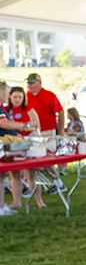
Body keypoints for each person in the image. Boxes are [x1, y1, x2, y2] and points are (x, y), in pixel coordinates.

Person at [7, 85, 45, 209]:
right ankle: (16, 201)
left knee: (31, 173)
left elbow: (37, 127)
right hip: (12, 145)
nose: (17, 100)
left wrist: (28, 135)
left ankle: (39, 201)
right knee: (14, 173)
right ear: (9, 97)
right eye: (15, 97)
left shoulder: (29, 109)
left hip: (28, 144)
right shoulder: (5, 110)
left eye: (20, 97)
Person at [0, 81, 35, 215]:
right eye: (8, 93)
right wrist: (23, 125)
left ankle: (4, 205)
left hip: (7, 145)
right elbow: (3, 124)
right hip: (3, 146)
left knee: (4, 176)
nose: (9, 96)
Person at [26, 72, 64, 182]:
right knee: (33, 159)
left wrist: (61, 130)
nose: (30, 85)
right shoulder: (26, 96)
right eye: (28, 82)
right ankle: (33, 184)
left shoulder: (49, 95)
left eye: (32, 82)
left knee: (47, 159)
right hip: (33, 132)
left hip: (48, 132)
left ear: (39, 82)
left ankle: (57, 183)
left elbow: (60, 112)